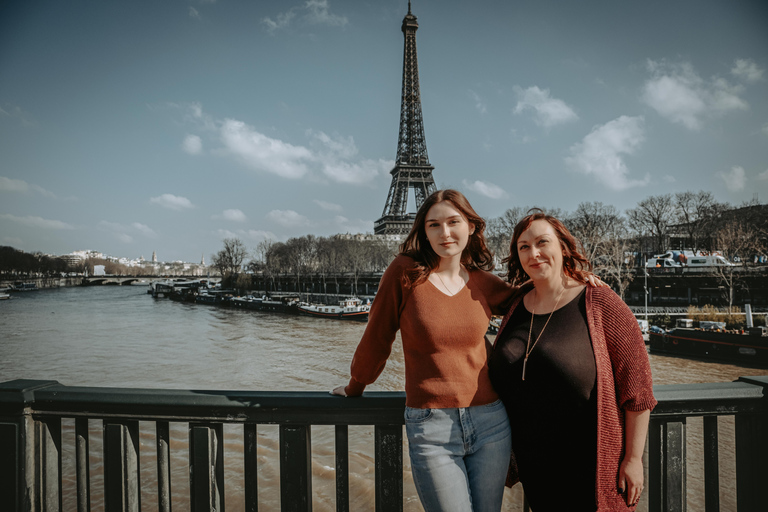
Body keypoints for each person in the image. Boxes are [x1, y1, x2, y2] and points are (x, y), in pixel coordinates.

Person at [331, 190, 602, 511]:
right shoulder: (405, 272)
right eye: (434, 225)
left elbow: (530, 298)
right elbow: (377, 337)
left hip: (491, 422)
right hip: (431, 426)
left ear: (471, 227)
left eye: (453, 222)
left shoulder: (482, 282)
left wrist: (572, 279)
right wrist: (355, 386)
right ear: (423, 232)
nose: (444, 233)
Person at [487, 210, 657, 511]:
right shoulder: (515, 305)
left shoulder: (600, 302)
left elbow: (638, 390)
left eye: (542, 242)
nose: (533, 253)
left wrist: (633, 459)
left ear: (563, 247)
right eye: (523, 246)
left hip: (590, 471)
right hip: (536, 470)